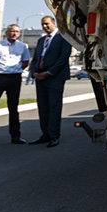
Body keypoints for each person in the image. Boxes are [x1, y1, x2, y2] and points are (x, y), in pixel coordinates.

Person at [28, 16, 71, 147]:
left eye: (46, 24)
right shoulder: (41, 40)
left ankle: (54, 135)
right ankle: (45, 134)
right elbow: (36, 58)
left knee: (54, 107)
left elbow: (63, 58)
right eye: (42, 24)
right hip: (40, 78)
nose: (44, 26)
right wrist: (34, 72)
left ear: (53, 23)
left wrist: (49, 73)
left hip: (54, 78)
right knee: (43, 107)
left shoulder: (63, 37)